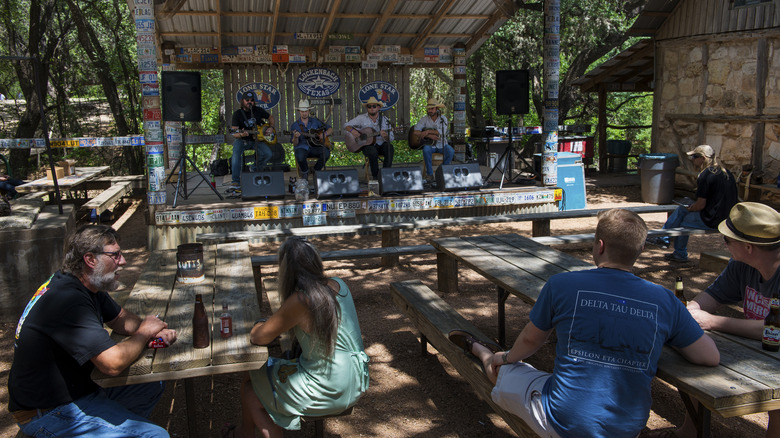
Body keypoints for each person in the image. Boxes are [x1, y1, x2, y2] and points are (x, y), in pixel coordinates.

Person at [448, 208, 720, 438]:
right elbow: (709, 356)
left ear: (599, 246)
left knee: (504, 371)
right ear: (639, 250)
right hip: (629, 427)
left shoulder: (562, 284)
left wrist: (505, 356)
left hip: (562, 420)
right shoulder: (664, 300)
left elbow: (531, 340)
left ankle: (483, 353)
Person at [8, 224, 177, 437]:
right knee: (155, 435)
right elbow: (112, 364)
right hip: (49, 410)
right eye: (115, 255)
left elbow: (119, 319)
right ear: (90, 260)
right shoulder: (69, 300)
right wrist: (144, 333)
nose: (122, 261)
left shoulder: (84, 284)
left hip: (78, 391)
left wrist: (152, 330)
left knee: (149, 382)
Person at [663, 202, 780, 438]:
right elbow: (712, 296)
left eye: (727, 240)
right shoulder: (741, 265)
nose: (723, 244)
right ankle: (690, 431)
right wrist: (687, 312)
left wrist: (712, 322)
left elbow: (775, 329)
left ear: (748, 247)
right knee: (699, 358)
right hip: (763, 350)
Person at [234, 237, 369, 437]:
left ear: (286, 271)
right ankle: (244, 432)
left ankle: (244, 433)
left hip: (329, 388)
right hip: (355, 380)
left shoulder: (302, 300)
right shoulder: (339, 285)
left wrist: (258, 324)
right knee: (256, 375)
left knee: (250, 391)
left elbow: (259, 338)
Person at [646, 144, 738, 262]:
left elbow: (700, 205)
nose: (692, 160)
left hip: (712, 219)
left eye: (694, 156)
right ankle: (666, 241)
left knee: (682, 219)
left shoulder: (705, 175)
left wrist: (690, 208)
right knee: (682, 211)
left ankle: (670, 244)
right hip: (727, 218)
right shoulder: (726, 172)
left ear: (703, 158)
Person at [229, 91, 276, 188]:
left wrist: (271, 127)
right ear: (242, 101)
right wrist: (241, 134)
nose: (249, 102)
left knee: (268, 153)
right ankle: (235, 181)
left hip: (257, 140)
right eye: (247, 100)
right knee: (235, 155)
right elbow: (234, 133)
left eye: (251, 101)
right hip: (243, 140)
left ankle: (254, 169)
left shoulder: (258, 110)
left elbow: (270, 117)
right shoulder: (237, 114)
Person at [344, 96, 394, 180]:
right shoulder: (361, 118)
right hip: (367, 145)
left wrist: (385, 136)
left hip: (381, 144)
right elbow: (346, 125)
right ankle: (376, 176)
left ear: (378, 107)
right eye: (369, 106)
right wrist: (354, 131)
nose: (371, 108)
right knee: (372, 151)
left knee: (390, 148)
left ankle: (385, 175)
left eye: (374, 106)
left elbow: (391, 138)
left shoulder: (385, 120)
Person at [412, 98, 455, 181]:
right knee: (426, 149)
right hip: (430, 145)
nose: (430, 111)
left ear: (437, 109)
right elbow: (415, 132)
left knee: (451, 151)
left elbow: (441, 132)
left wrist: (427, 131)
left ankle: (441, 171)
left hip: (442, 144)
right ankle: (430, 174)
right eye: (429, 109)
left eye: (432, 109)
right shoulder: (424, 119)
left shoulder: (443, 119)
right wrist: (429, 136)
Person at [289, 99, 332, 181]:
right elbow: (295, 144)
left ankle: (316, 171)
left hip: (315, 147)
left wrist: (324, 134)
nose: (304, 113)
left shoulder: (315, 121)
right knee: (300, 156)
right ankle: (305, 173)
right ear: (299, 111)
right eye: (302, 111)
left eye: (306, 111)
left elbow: (330, 129)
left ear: (309, 111)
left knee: (326, 153)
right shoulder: (295, 125)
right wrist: (295, 137)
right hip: (302, 147)